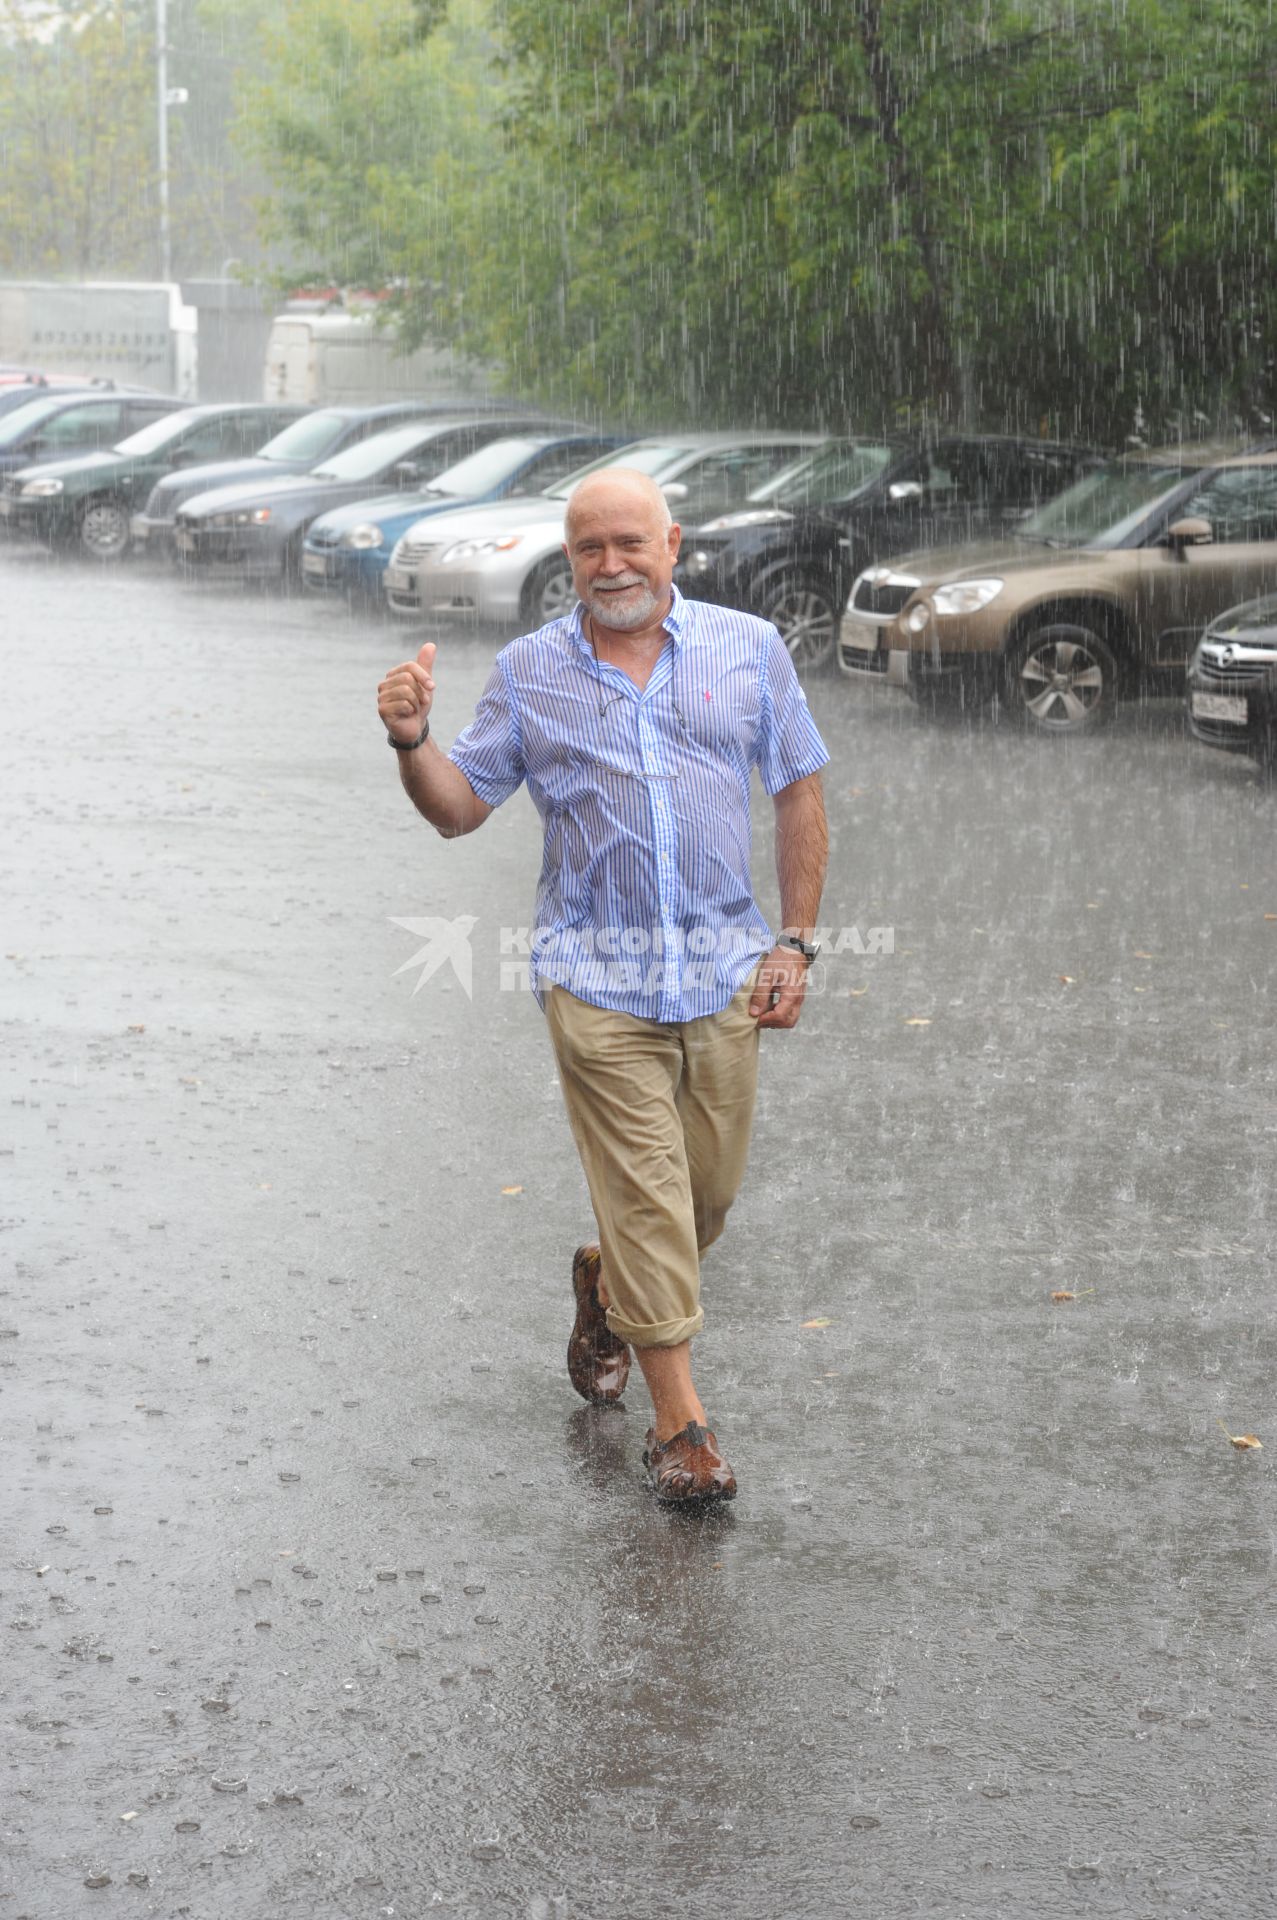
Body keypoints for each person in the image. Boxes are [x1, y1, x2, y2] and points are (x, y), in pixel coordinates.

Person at [376, 469, 829, 1505]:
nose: (611, 565)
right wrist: (411, 741)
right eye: (589, 549)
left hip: (724, 974)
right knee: (650, 1202)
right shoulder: (532, 671)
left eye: (630, 543)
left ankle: (604, 1280)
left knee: (701, 1201)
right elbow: (457, 809)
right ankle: (682, 1430)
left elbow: (798, 787)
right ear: (568, 557)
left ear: (672, 545)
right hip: (594, 982)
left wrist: (792, 943)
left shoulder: (748, 648)